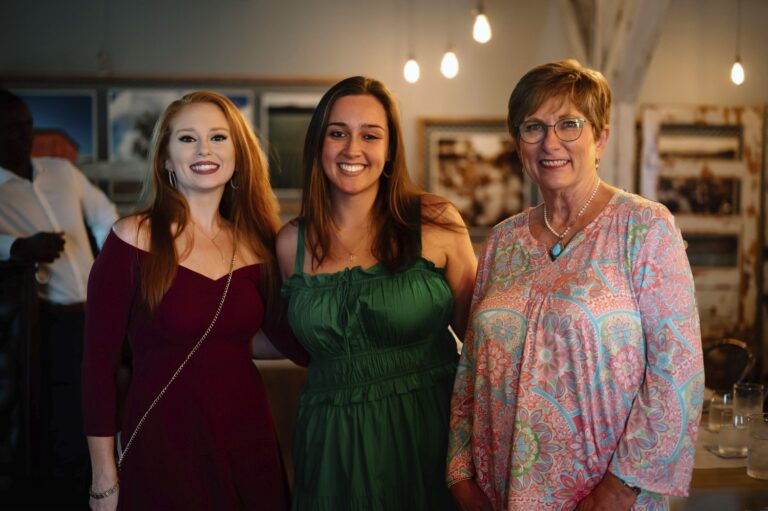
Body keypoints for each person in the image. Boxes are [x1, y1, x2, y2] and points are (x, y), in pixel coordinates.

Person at [447, 60, 704, 511]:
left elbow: (677, 374)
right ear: (519, 143)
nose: (551, 143)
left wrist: (617, 491)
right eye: (533, 127)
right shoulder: (501, 241)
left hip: (602, 500)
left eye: (569, 124)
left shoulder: (644, 228)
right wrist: (460, 475)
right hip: (497, 494)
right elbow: (470, 368)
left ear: (600, 137)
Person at [82, 91, 308, 510]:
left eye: (218, 137)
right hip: (164, 441)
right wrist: (103, 476)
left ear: (238, 155)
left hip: (246, 438)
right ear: (166, 159)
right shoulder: (132, 238)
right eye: (187, 139)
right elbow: (97, 365)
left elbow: (287, 342)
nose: (204, 149)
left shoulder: (260, 244)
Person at [277, 76, 478, 509]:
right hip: (332, 447)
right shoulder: (290, 241)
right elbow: (273, 335)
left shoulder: (436, 219)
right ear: (319, 144)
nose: (353, 149)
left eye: (370, 135)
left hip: (427, 429)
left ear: (389, 151)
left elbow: (483, 343)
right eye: (338, 133)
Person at [0, 89, 119, 506]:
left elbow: (107, 217)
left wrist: (115, 268)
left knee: (115, 411)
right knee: (67, 430)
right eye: (12, 127)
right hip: (51, 324)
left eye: (27, 125)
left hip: (102, 314)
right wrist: (17, 247)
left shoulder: (60, 170)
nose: (24, 135)